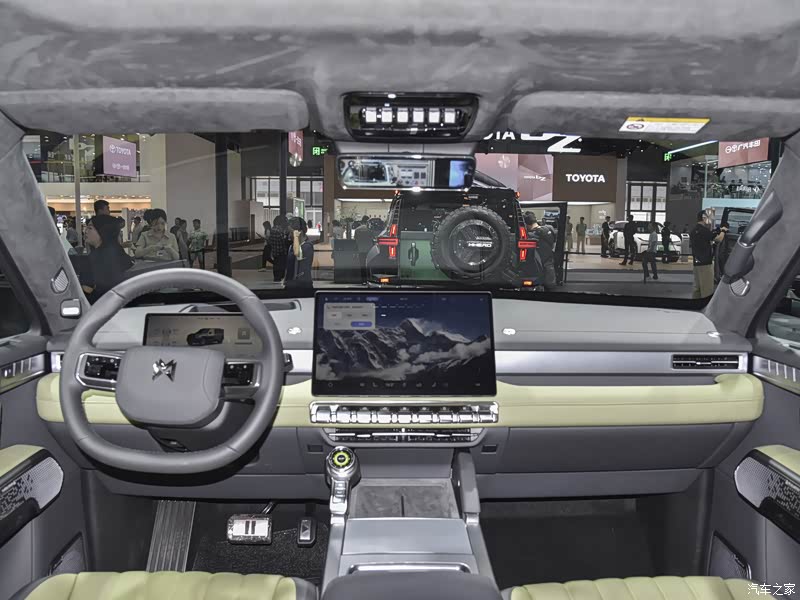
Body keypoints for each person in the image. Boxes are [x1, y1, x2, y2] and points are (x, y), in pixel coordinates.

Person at [79, 215, 133, 303]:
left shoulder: (92, 259)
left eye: (90, 228)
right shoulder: (119, 252)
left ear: (102, 231)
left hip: (99, 306)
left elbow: (87, 291)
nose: (85, 231)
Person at [689, 210, 726, 299]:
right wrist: (723, 231)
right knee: (707, 289)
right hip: (705, 263)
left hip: (696, 263)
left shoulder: (694, 230)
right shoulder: (704, 230)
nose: (709, 220)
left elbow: (705, 239)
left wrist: (714, 232)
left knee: (697, 288)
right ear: (704, 218)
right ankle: (705, 305)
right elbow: (719, 239)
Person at [526, 213, 557, 291]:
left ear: (527, 225)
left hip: (538, 269)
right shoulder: (549, 228)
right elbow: (553, 243)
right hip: (549, 266)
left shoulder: (531, 235)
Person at [285, 217, 315, 288]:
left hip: (303, 285)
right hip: (291, 284)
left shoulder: (307, 246)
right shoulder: (292, 246)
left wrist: (295, 236)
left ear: (299, 232)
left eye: (291, 232)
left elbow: (298, 254)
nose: (289, 236)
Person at [268, 215, 291, 282]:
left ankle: (276, 277)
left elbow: (270, 241)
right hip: (281, 251)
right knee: (280, 265)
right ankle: (278, 277)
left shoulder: (272, 229)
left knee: (276, 264)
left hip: (275, 251)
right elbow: (283, 241)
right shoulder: (279, 230)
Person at [354, 215, 375, 281]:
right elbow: (373, 238)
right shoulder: (369, 229)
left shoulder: (357, 229)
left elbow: (355, 239)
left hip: (360, 249)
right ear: (367, 221)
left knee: (362, 265)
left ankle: (363, 280)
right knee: (369, 265)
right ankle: (369, 279)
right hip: (369, 250)